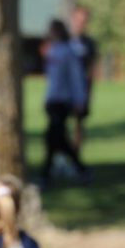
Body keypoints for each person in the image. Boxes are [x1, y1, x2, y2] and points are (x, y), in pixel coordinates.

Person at [40, 19, 90, 188]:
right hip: (52, 100)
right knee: (56, 138)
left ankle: (47, 173)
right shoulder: (52, 51)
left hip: (63, 100)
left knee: (52, 137)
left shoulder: (69, 52)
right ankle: (79, 168)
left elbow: (77, 78)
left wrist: (79, 100)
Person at [69, 5, 98, 155]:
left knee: (79, 125)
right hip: (66, 90)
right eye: (78, 20)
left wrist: (89, 90)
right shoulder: (65, 41)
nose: (81, 23)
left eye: (84, 20)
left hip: (82, 90)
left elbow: (92, 68)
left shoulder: (89, 44)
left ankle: (75, 156)